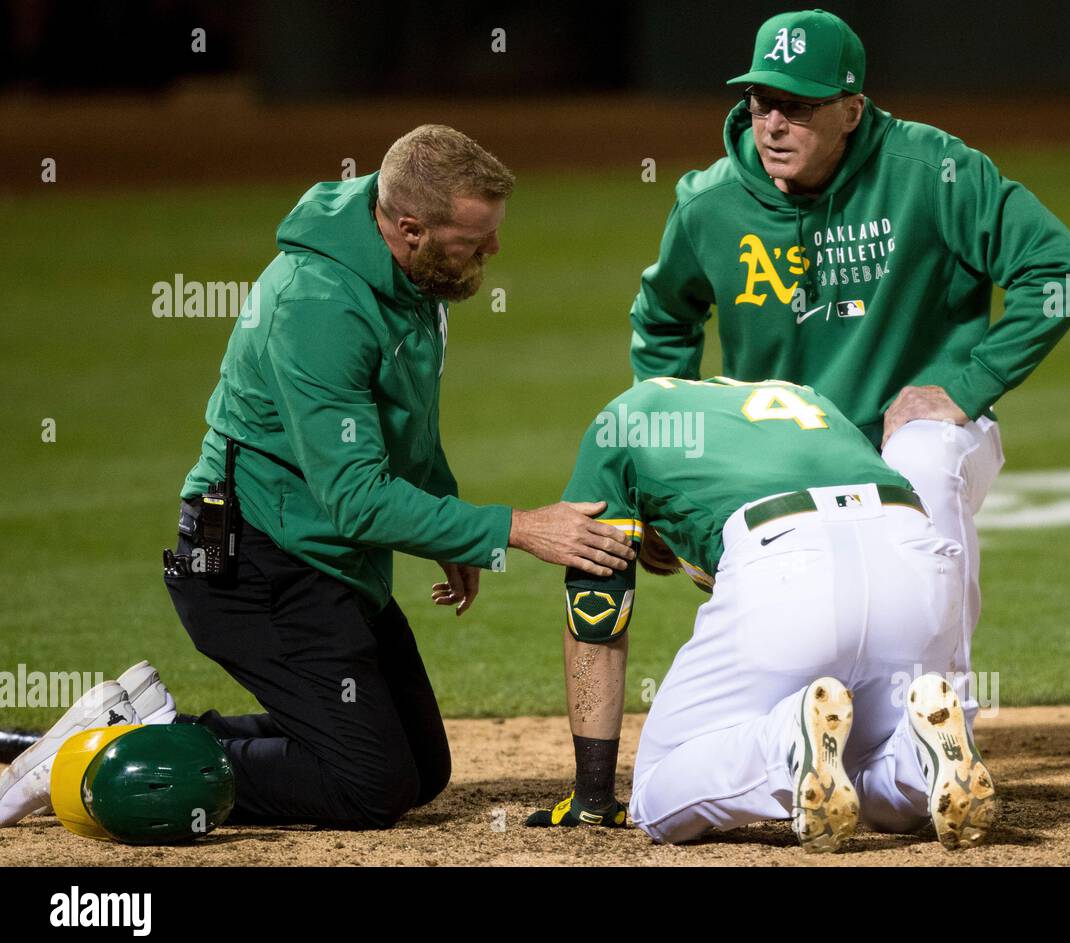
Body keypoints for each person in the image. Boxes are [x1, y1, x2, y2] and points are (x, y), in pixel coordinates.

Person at [2, 125, 636, 833]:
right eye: (476, 237)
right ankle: (104, 753)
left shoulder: (413, 275)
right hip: (253, 566)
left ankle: (155, 727)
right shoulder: (318, 304)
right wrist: (514, 528)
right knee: (370, 786)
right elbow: (357, 499)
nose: (493, 250)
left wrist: (447, 524)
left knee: (423, 769)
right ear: (410, 228)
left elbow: (409, 426)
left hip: (326, 558)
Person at [628, 9, 1070, 732]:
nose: (774, 123)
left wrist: (968, 388)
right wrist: (668, 458)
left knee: (925, 465)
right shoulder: (710, 204)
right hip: (786, 448)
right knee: (796, 628)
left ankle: (944, 724)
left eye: (799, 105)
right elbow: (664, 319)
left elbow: (1061, 270)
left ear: (851, 110)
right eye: (762, 102)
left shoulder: (932, 170)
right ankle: (799, 731)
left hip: (910, 432)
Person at [526, 377, 998, 851]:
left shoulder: (626, 415)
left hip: (784, 556)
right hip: (918, 560)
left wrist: (593, 798)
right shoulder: (805, 398)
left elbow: (597, 620)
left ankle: (785, 743)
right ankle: (916, 759)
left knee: (654, 794)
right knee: (864, 771)